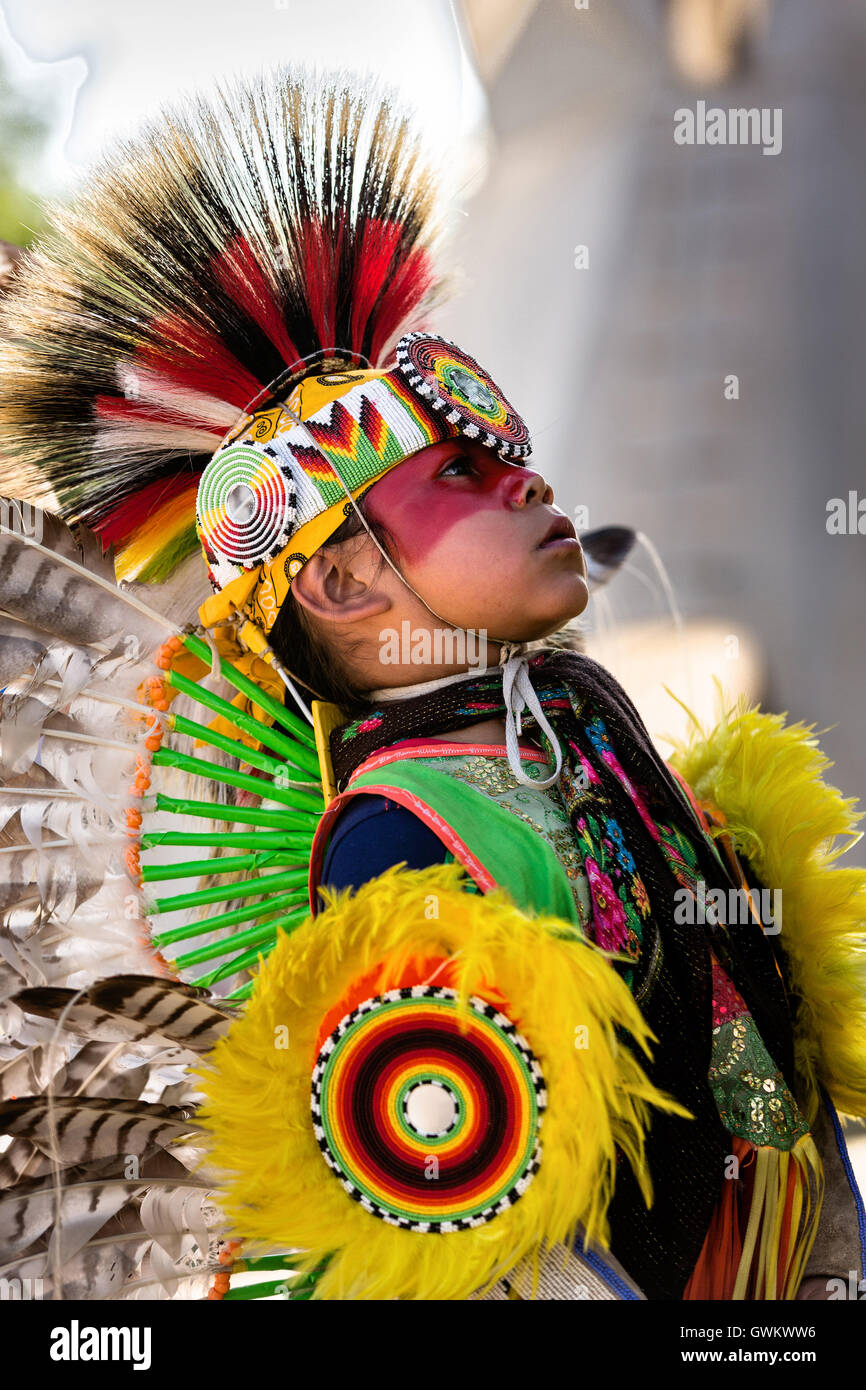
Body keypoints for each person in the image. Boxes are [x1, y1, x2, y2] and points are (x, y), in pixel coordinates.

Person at [0, 68, 863, 1303]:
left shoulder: (570, 721)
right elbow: (487, 1231)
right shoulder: (405, 827)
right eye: (459, 474)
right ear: (346, 585)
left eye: (509, 454)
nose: (524, 480)